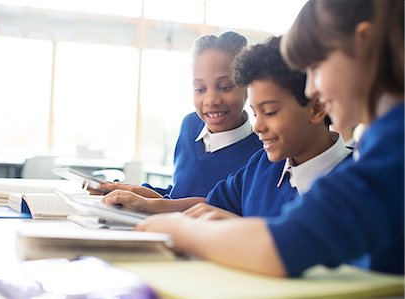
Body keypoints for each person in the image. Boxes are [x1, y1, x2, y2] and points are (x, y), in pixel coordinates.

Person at [135, 0, 404, 277]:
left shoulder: (396, 143)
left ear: (364, 43)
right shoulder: (379, 140)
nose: (312, 87)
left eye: (316, 66)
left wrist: (179, 230)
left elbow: (284, 246)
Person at [104, 36, 351, 219]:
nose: (258, 127)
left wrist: (240, 228)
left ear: (317, 108)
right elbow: (207, 205)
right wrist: (145, 205)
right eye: (256, 113)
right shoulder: (262, 165)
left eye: (270, 112)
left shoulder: (356, 179)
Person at [97, 32, 262, 207]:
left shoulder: (260, 154)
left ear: (247, 85)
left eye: (225, 87)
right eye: (199, 89)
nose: (211, 100)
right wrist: (131, 191)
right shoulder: (190, 126)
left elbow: (217, 208)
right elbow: (178, 195)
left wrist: (149, 204)